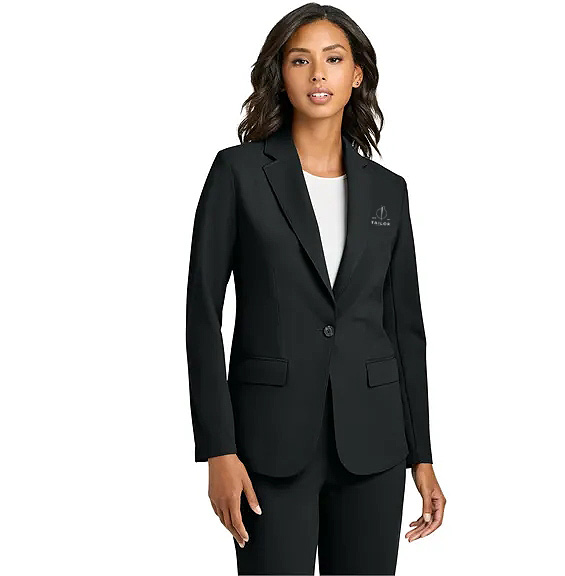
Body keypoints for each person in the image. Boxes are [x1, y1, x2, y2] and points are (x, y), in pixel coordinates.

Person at [186, 4, 446, 574]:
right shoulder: (238, 173)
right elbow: (202, 314)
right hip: (267, 443)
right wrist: (218, 449)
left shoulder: (389, 191)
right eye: (300, 60)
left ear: (357, 74)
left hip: (374, 444)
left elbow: (405, 328)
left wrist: (421, 456)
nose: (318, 74)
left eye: (333, 59)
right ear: (281, 74)